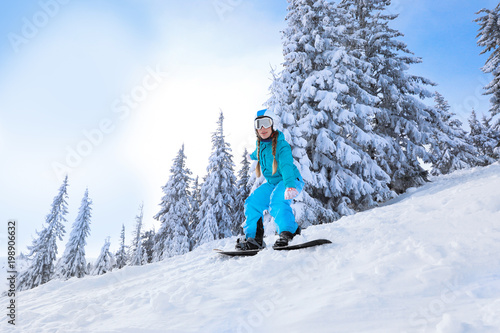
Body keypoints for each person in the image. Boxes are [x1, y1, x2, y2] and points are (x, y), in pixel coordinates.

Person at [236, 109, 304, 250]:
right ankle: (254, 239)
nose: (262, 128)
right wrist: (251, 156)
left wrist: (290, 185)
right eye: (258, 124)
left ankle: (289, 232)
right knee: (252, 202)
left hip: (290, 179)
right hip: (273, 183)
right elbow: (259, 153)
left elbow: (286, 166)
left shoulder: (282, 145)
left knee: (278, 201)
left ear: (273, 124)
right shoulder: (260, 144)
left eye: (266, 123)